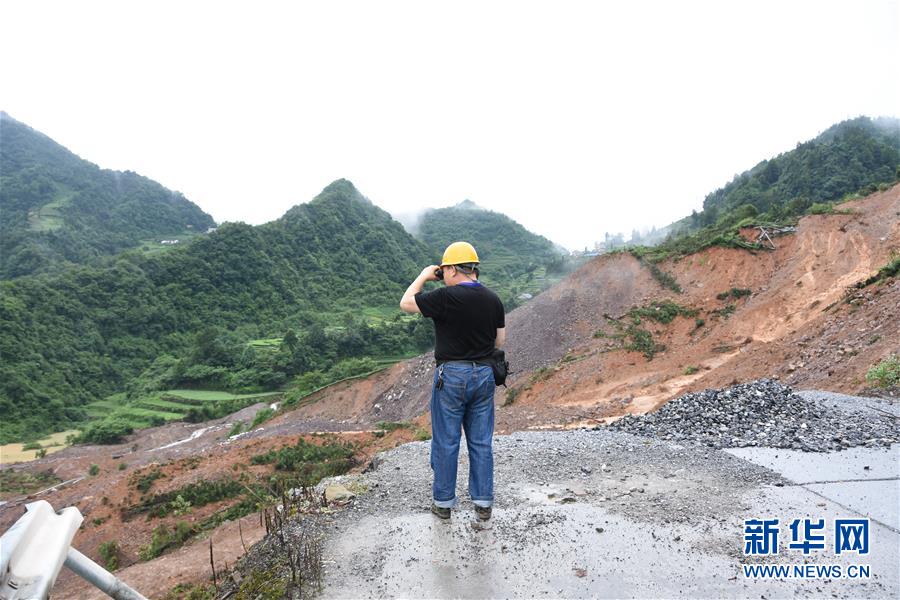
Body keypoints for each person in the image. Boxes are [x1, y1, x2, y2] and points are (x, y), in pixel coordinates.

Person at [400, 241, 506, 521]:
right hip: (484, 375)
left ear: (451, 269)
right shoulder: (493, 299)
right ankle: (483, 503)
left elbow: (406, 302)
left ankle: (444, 504)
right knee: (481, 441)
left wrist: (424, 276)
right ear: (474, 269)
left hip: (451, 376)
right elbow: (500, 341)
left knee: (447, 441)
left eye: (444, 268)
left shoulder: (445, 297)